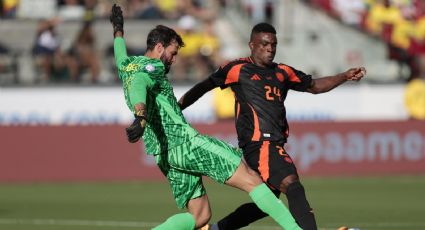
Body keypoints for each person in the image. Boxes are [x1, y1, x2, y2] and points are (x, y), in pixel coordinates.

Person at [110, 5, 301, 230]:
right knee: (251, 178)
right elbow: (141, 82)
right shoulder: (152, 67)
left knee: (200, 216)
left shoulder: (126, 66)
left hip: (165, 155)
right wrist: (140, 115)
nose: (172, 60)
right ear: (159, 47)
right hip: (185, 143)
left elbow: (120, 53)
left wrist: (118, 30)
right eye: (172, 53)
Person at [179, 22, 366, 230]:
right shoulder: (237, 69)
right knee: (292, 185)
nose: (270, 49)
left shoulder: (283, 72)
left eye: (273, 45)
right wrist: (178, 107)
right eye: (264, 44)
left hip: (274, 143)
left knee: (266, 202)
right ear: (252, 45)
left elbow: (314, 86)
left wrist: (344, 76)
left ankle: (215, 229)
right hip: (260, 144)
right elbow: (203, 86)